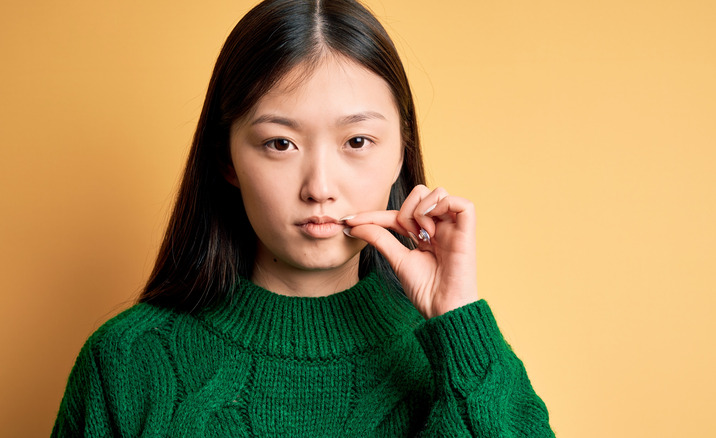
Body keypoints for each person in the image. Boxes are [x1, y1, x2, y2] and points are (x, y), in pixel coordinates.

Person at [51, 0, 555, 436]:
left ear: (402, 152)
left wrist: (456, 319)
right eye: (280, 143)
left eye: (357, 142)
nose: (319, 188)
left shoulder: (454, 359)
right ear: (227, 158)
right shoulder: (125, 361)